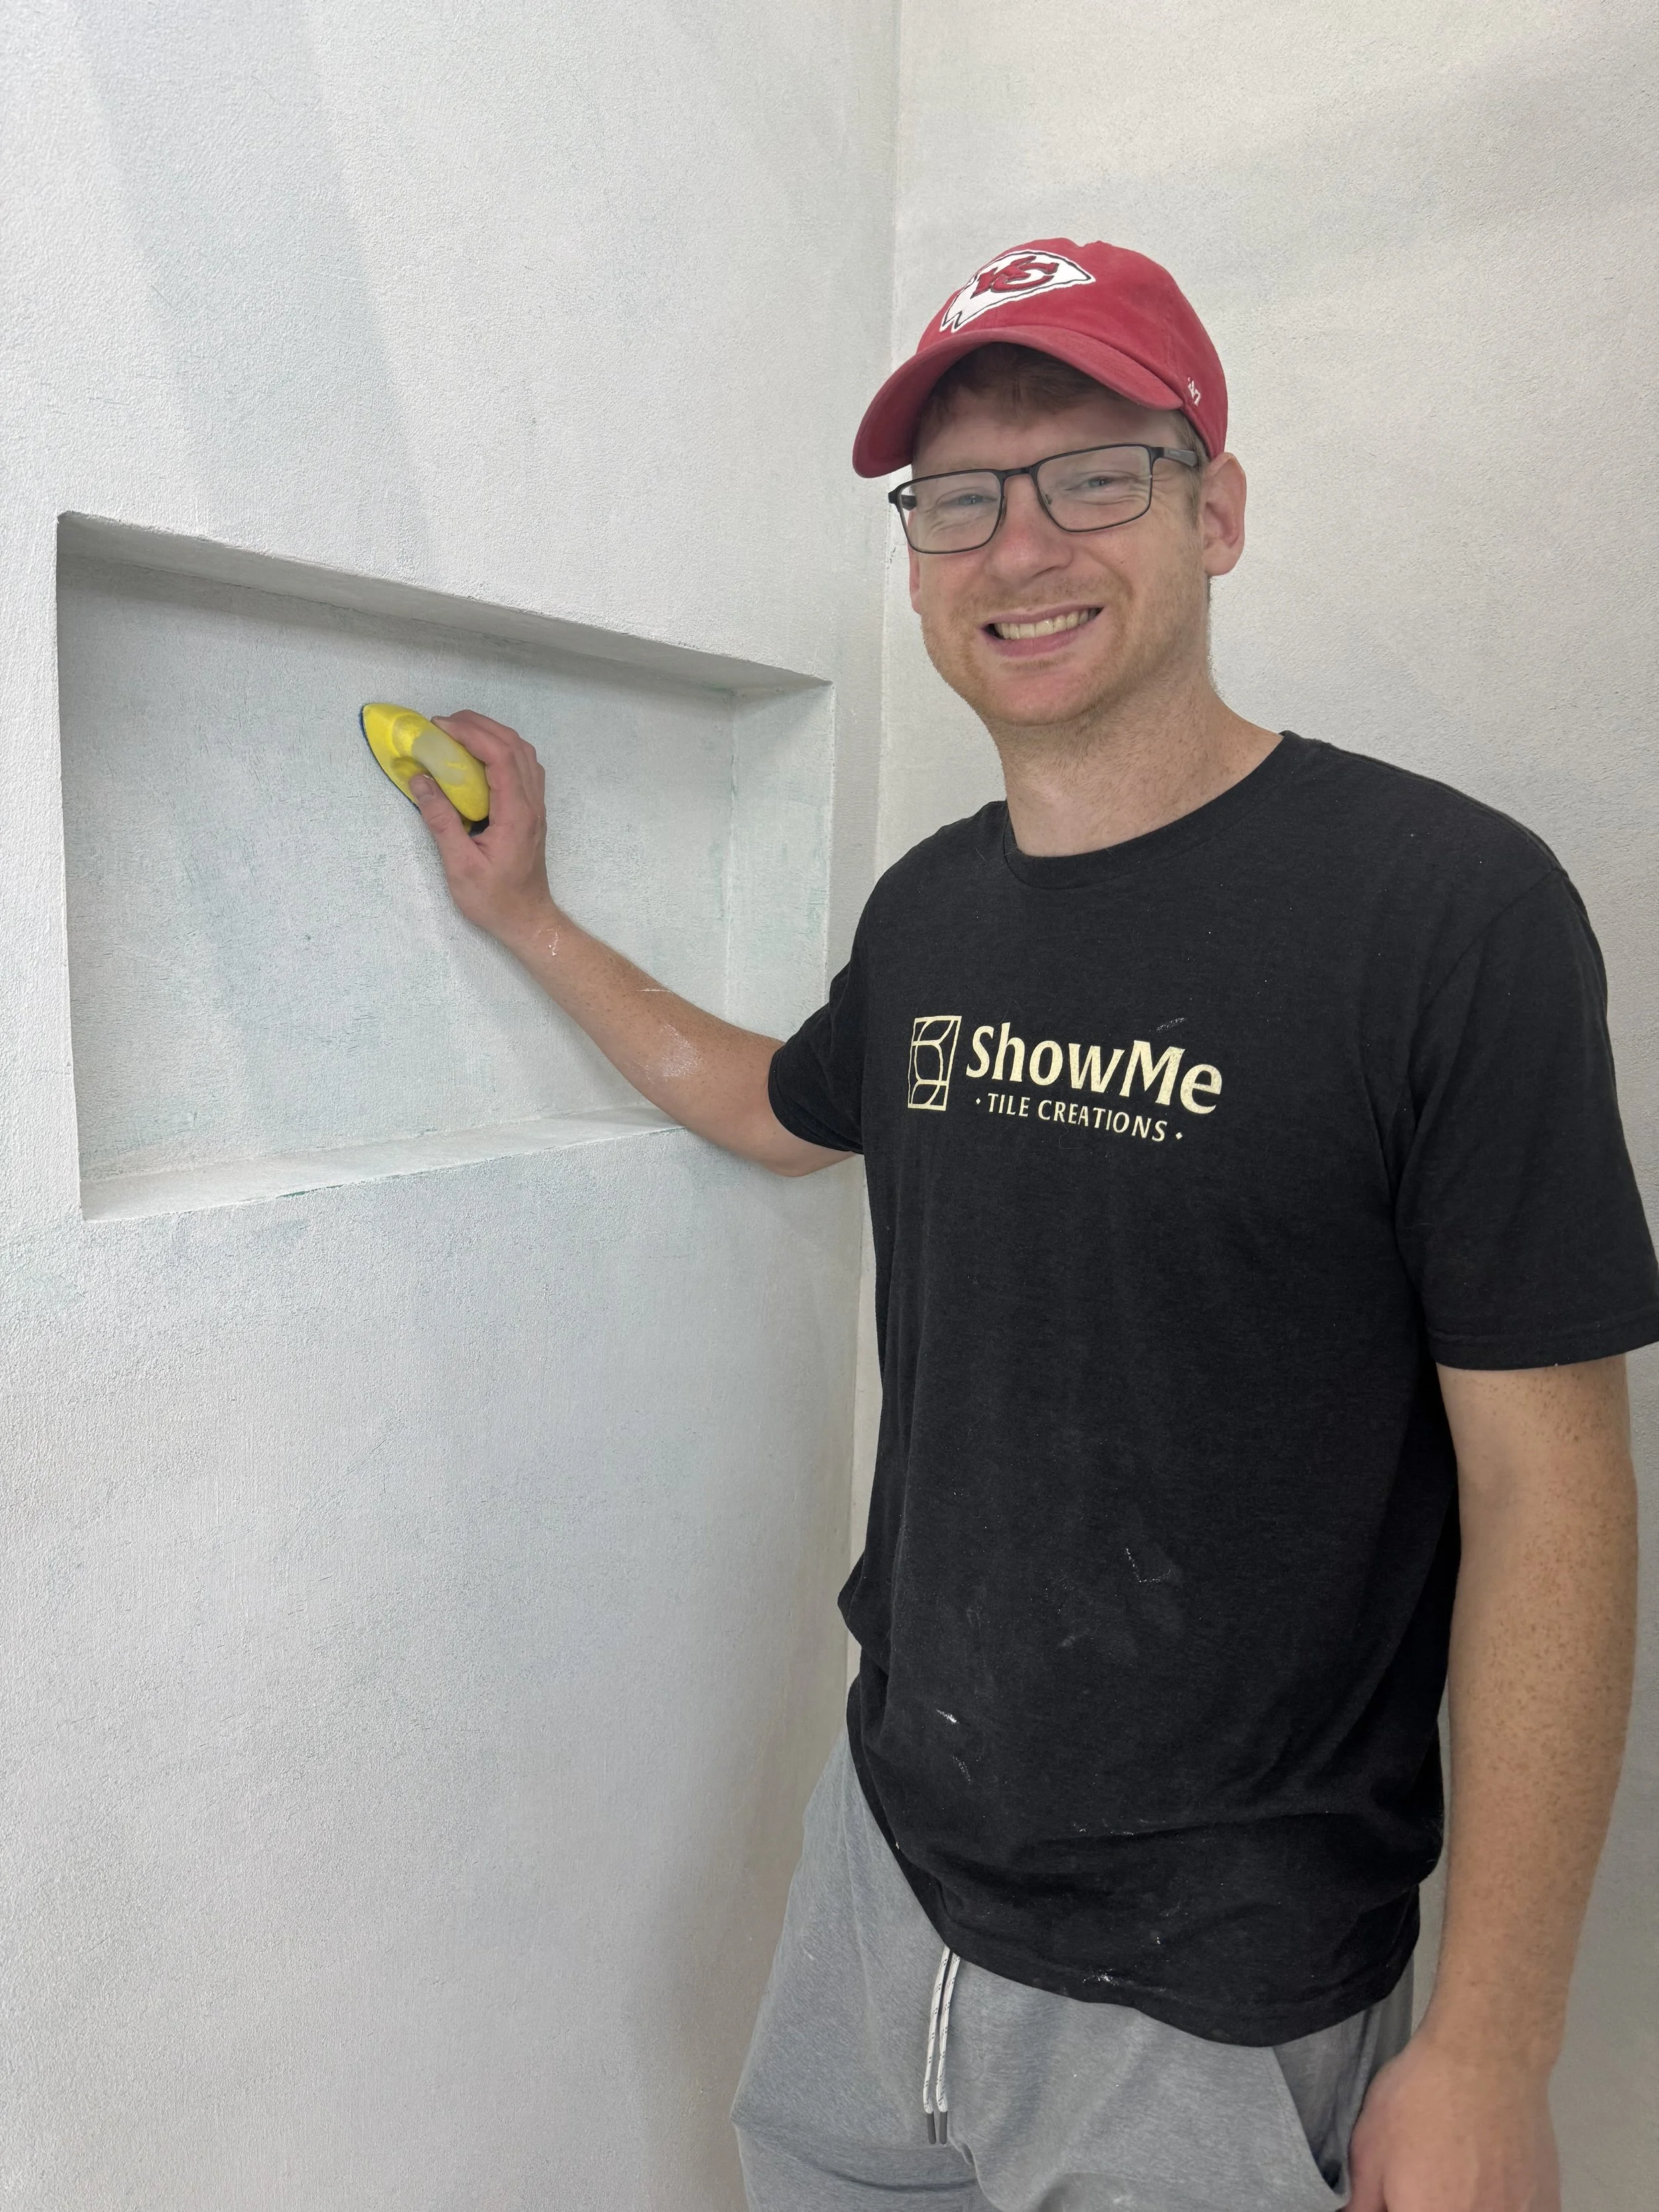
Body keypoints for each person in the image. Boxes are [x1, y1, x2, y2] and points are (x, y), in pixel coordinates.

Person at [409, 238, 1655, 2212]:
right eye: (959, 498)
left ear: (1215, 508)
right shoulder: (931, 912)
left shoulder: (1444, 913)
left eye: (1093, 473)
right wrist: (527, 920)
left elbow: (1554, 1492)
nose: (1018, 546)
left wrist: (1492, 2039)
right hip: (885, 1870)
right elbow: (772, 1101)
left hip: (1224, 1987)